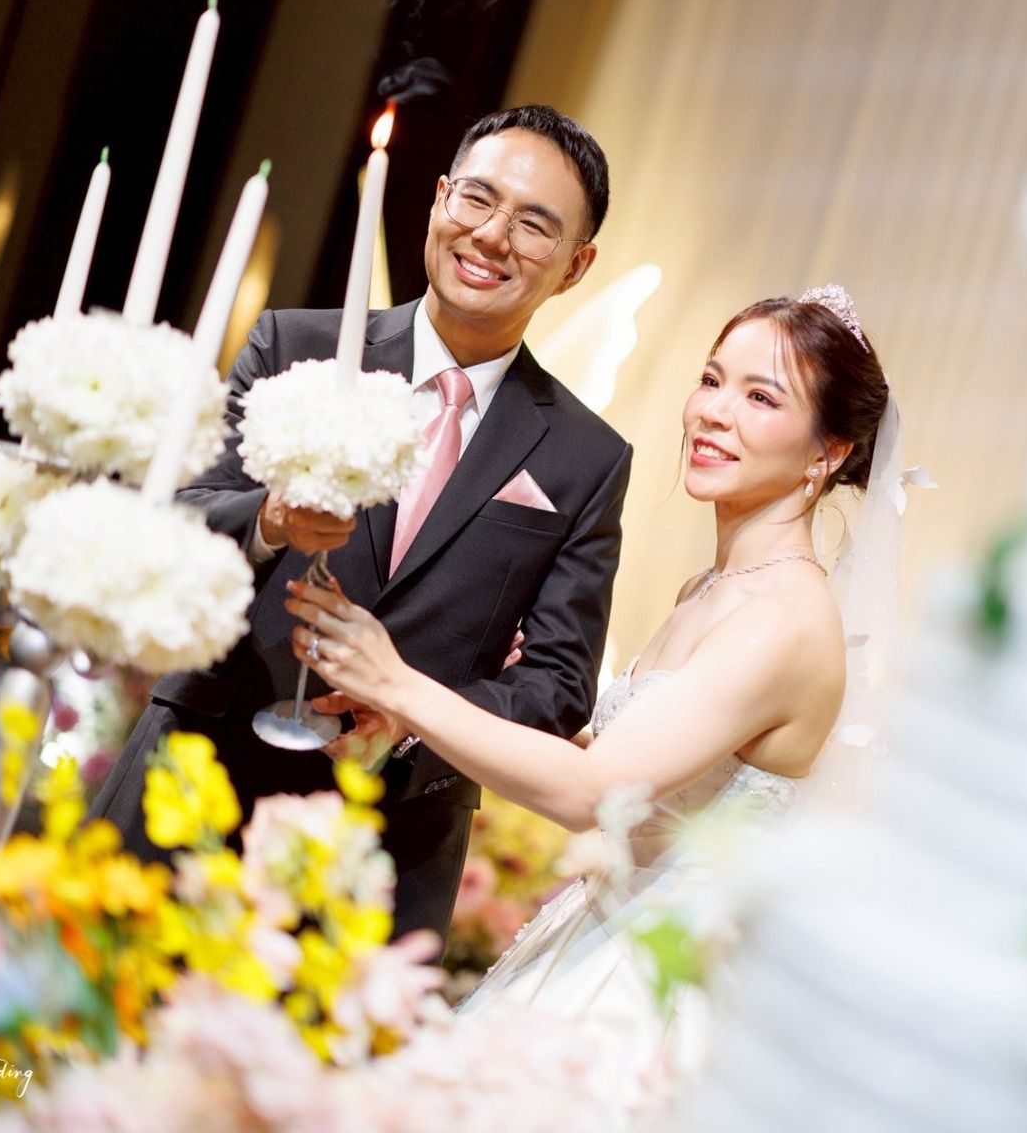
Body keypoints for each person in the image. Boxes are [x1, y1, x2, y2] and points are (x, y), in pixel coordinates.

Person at [284, 287, 899, 1071]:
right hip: (594, 932)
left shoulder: (785, 620)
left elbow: (595, 793)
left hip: (643, 987)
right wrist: (414, 722)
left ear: (828, 452)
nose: (713, 412)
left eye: (760, 397)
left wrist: (401, 685)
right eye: (711, 380)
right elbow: (638, 756)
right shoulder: (709, 591)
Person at [88, 105, 633, 942]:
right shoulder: (292, 346)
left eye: (533, 225)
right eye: (476, 200)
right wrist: (269, 520)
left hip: (384, 848)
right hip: (197, 772)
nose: (490, 236)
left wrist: (410, 714)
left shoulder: (585, 458)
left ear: (574, 266)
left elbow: (559, 687)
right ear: (438, 200)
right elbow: (177, 520)